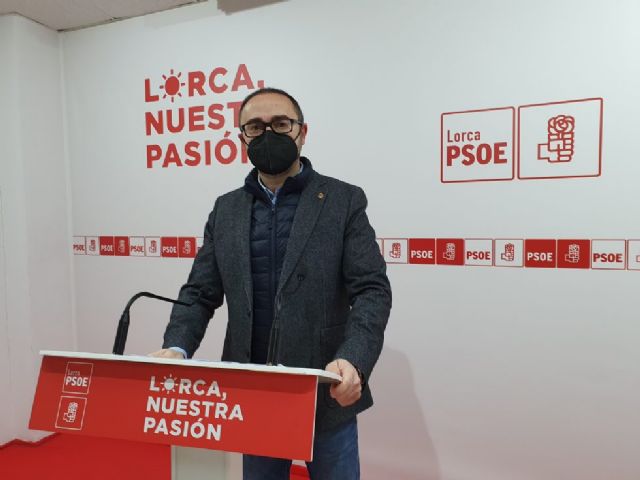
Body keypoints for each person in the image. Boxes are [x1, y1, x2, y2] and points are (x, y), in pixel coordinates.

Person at [150, 87, 392, 480]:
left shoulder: (343, 201)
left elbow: (371, 290)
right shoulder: (225, 209)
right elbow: (200, 292)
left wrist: (354, 359)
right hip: (252, 392)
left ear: (302, 132)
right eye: (255, 127)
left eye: (280, 124)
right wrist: (177, 347)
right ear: (241, 138)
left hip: (325, 388)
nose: (268, 135)